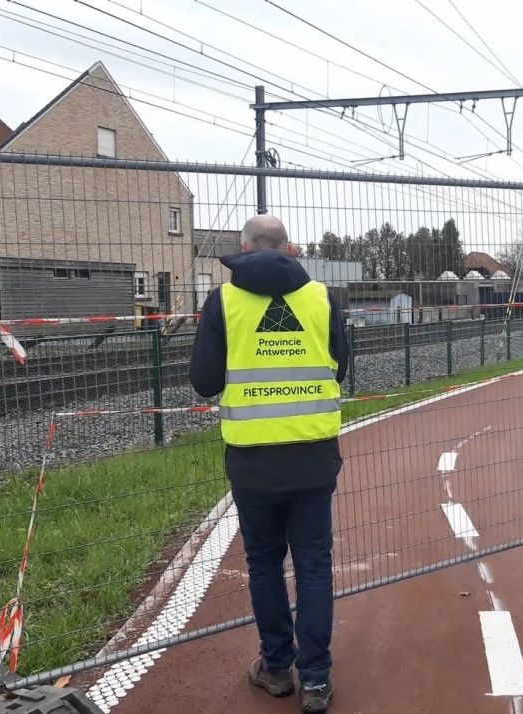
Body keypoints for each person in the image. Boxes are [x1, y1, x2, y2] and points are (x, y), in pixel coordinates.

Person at [189, 213, 348, 713]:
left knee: (264, 563)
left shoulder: (225, 300)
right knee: (315, 564)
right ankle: (317, 680)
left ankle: (276, 667)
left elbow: (204, 381)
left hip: (254, 462)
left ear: (245, 246)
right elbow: (341, 366)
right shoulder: (321, 298)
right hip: (312, 457)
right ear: (289, 248)